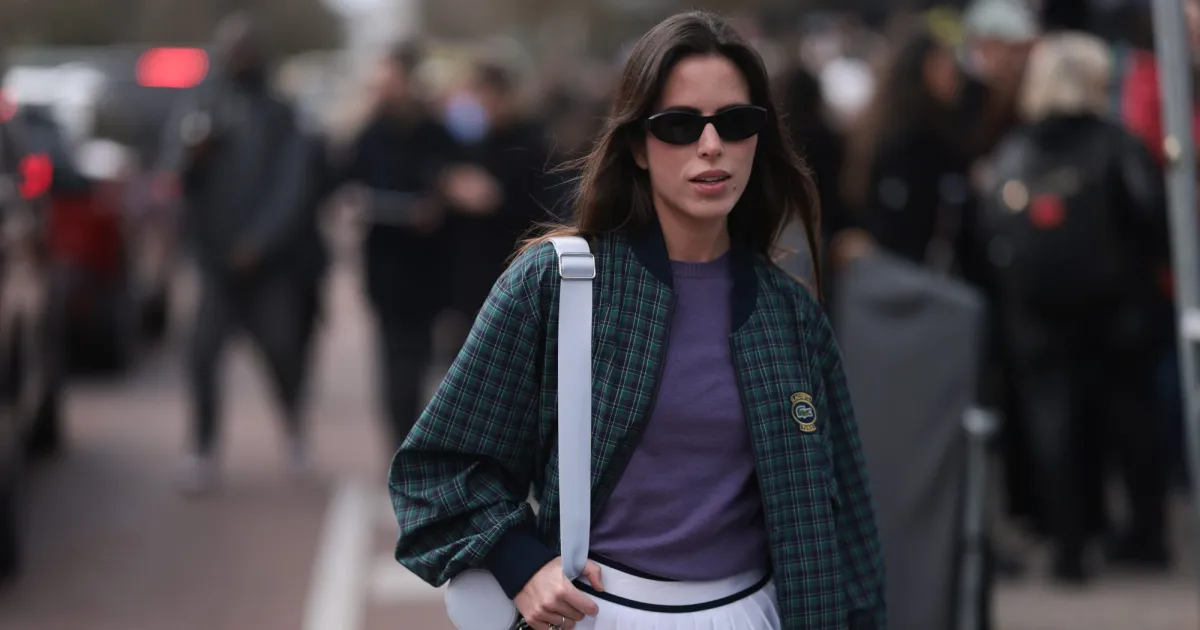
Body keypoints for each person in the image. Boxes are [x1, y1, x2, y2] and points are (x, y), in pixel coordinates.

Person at [389, 10, 885, 630]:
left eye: (735, 122)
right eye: (679, 125)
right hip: (600, 615)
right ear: (636, 146)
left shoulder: (790, 314)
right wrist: (520, 563)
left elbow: (851, 532)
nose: (712, 146)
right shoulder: (556, 282)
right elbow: (438, 469)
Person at [162, 13, 318, 493]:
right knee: (202, 355)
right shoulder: (201, 107)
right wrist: (192, 157)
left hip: (267, 265)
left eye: (245, 49)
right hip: (215, 263)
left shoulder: (280, 112)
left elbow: (294, 184)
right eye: (231, 50)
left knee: (281, 352)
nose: (238, 58)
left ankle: (293, 427)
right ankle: (203, 447)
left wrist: (261, 240)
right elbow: (173, 171)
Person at [332, 42, 463, 451]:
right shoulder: (370, 132)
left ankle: (424, 440)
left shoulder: (435, 131)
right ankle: (400, 445)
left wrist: (437, 203)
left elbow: (454, 181)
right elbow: (345, 180)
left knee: (425, 357)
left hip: (428, 265)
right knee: (392, 363)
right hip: (385, 265)